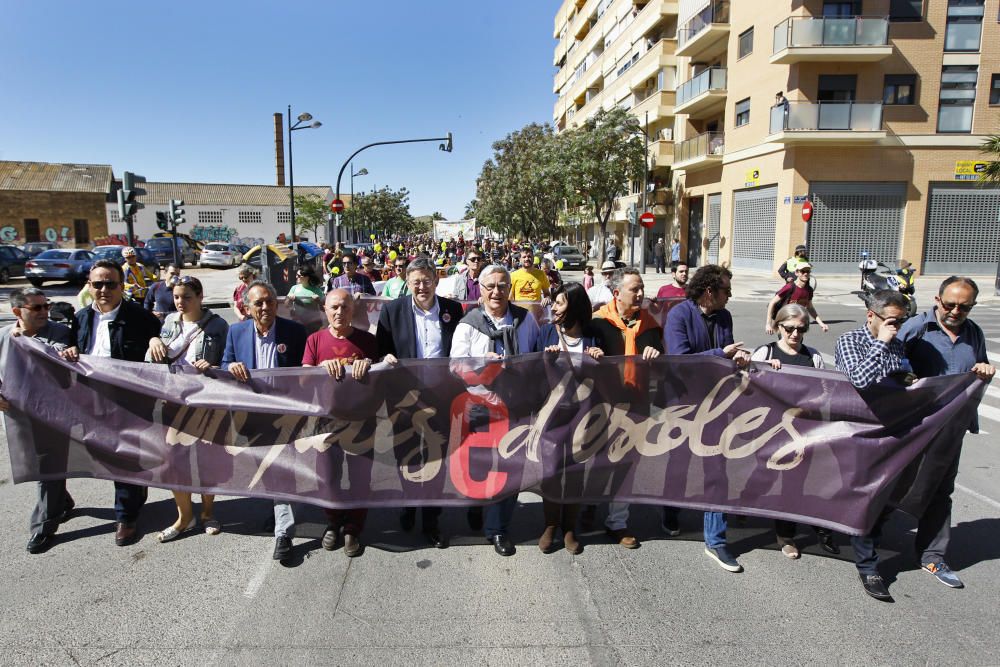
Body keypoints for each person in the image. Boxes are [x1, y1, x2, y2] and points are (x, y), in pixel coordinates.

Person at [899, 277, 995, 589]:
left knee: (940, 490)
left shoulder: (974, 333)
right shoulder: (916, 328)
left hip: (951, 427)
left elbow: (979, 368)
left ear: (972, 307)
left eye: (964, 307)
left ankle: (932, 554)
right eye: (949, 304)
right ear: (938, 300)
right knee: (893, 484)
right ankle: (866, 543)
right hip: (912, 426)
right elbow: (888, 362)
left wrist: (985, 370)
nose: (955, 311)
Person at [61, 260, 163, 546]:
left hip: (128, 403)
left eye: (111, 284)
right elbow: (70, 347)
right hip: (90, 400)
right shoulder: (81, 318)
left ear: (122, 286)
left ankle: (126, 517)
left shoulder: (140, 317)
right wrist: (69, 349)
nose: (104, 289)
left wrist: (156, 338)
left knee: (124, 456)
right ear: (89, 286)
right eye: (98, 284)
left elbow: (162, 343)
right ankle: (134, 491)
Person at [665, 264, 751, 572]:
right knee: (679, 464)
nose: (731, 295)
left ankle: (716, 541)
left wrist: (737, 360)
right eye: (727, 290)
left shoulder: (724, 316)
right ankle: (670, 510)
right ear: (710, 291)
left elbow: (726, 357)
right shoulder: (679, 315)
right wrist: (721, 353)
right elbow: (678, 359)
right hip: (683, 405)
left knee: (716, 468)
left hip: (717, 405)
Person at [451, 263, 541, 556]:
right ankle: (478, 505)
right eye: (490, 286)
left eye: (502, 285)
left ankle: (498, 528)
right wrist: (481, 362)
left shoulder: (526, 320)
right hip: (480, 407)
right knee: (481, 466)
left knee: (509, 469)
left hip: (515, 407)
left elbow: (537, 360)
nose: (497, 292)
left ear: (510, 288)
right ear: (481, 290)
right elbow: (454, 366)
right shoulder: (469, 323)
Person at [375, 257, 465, 549]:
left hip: (441, 396)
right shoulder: (392, 311)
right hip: (404, 398)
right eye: (416, 282)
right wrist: (385, 358)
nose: (422, 286)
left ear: (436, 281)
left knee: (437, 457)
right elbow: (381, 350)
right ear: (407, 283)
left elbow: (461, 350)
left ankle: (432, 519)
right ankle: (408, 502)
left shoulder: (453, 310)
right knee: (407, 455)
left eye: (427, 280)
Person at [221, 281, 308, 562]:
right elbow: (224, 363)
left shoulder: (294, 332)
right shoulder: (235, 332)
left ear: (277, 303)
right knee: (265, 467)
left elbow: (307, 372)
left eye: (269, 301)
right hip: (252, 414)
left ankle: (284, 533)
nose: (265, 307)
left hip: (286, 413)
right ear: (247, 307)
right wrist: (230, 367)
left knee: (281, 467)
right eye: (258, 303)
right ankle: (278, 509)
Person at [834, 289, 911, 601]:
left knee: (892, 492)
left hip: (893, 429)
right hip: (860, 431)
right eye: (891, 321)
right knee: (867, 494)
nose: (896, 328)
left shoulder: (898, 343)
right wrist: (881, 343)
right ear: (872, 316)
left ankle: (868, 533)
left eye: (900, 322)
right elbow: (859, 379)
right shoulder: (850, 341)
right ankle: (868, 565)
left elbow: (901, 375)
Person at [146, 276, 229, 542]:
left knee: (205, 458)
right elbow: (152, 360)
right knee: (174, 460)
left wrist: (214, 368)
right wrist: (153, 341)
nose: (180, 302)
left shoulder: (218, 325)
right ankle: (184, 516)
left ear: (200, 297)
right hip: (171, 399)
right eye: (177, 297)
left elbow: (228, 360)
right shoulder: (169, 322)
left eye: (187, 297)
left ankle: (207, 512)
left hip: (205, 400)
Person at [750, 303, 835, 559]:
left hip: (800, 431)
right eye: (789, 328)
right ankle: (743, 507)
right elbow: (746, 388)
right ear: (778, 327)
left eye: (801, 329)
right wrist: (764, 372)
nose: (795, 334)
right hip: (768, 430)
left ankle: (785, 535)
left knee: (792, 483)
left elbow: (826, 392)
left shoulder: (813, 357)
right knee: (759, 476)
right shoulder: (765, 353)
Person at [589, 268, 662, 549]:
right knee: (596, 461)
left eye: (642, 288)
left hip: (636, 405)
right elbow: (578, 356)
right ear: (617, 293)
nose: (641, 294)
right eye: (635, 289)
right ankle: (588, 506)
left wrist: (658, 358)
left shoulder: (651, 326)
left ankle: (617, 521)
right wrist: (589, 353)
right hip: (600, 404)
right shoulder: (596, 323)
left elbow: (666, 369)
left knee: (626, 463)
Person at [0, 288, 76, 554]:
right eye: (37, 308)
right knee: (37, 464)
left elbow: (55, 359)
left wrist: (26, 341)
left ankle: (43, 526)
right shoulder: (2, 336)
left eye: (47, 306)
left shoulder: (59, 332)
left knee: (47, 467)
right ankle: (62, 502)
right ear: (17, 311)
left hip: (53, 413)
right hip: (18, 414)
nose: (45, 312)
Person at [303, 289, 377, 558]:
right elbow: (301, 380)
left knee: (360, 476)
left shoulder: (368, 341)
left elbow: (384, 380)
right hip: (325, 421)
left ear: (352, 310)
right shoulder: (314, 340)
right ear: (325, 309)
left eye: (345, 307)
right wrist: (319, 369)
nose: (339, 312)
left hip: (361, 420)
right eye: (334, 307)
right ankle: (333, 521)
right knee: (328, 474)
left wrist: (371, 365)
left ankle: (353, 528)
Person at [532, 282, 605, 554]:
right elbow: (530, 371)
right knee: (550, 471)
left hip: (584, 415)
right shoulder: (546, 333)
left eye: (559, 303)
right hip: (552, 416)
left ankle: (570, 528)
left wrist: (601, 359)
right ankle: (550, 524)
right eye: (553, 302)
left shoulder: (594, 335)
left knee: (575, 473)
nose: (554, 308)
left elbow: (610, 375)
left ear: (574, 307)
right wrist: (545, 361)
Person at [765, 262, 828, 335]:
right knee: (787, 344)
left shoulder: (809, 290)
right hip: (786, 323)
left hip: (798, 323)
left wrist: (821, 324)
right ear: (797, 273)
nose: (805, 274)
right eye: (803, 271)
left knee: (797, 345)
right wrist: (768, 324)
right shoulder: (790, 287)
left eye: (808, 271)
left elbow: (810, 307)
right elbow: (772, 303)